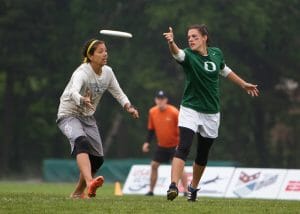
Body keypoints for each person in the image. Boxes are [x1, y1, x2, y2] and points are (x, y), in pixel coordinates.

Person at [163, 24, 259, 201]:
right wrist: (171, 42)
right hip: (190, 108)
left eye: (194, 36)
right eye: (189, 37)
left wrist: (243, 84)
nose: (190, 39)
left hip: (211, 112)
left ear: (205, 37)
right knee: (184, 146)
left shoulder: (216, 53)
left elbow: (224, 70)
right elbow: (177, 53)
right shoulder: (188, 55)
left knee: (203, 153)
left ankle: (193, 188)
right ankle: (173, 185)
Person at [57, 39, 139, 199]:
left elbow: (118, 93)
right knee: (81, 142)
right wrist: (82, 99)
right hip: (68, 115)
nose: (105, 54)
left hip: (87, 118)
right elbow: (73, 91)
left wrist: (129, 107)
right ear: (91, 55)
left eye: (106, 51)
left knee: (98, 160)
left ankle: (77, 194)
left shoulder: (108, 72)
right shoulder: (82, 72)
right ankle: (89, 183)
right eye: (100, 51)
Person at [142, 90, 188, 196]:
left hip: (175, 145)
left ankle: (186, 190)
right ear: (155, 100)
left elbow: (182, 128)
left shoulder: (174, 112)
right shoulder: (152, 112)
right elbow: (151, 129)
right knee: (154, 165)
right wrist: (147, 142)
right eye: (158, 99)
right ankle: (151, 191)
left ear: (166, 100)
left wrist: (181, 144)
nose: (160, 101)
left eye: (162, 99)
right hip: (162, 146)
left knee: (179, 167)